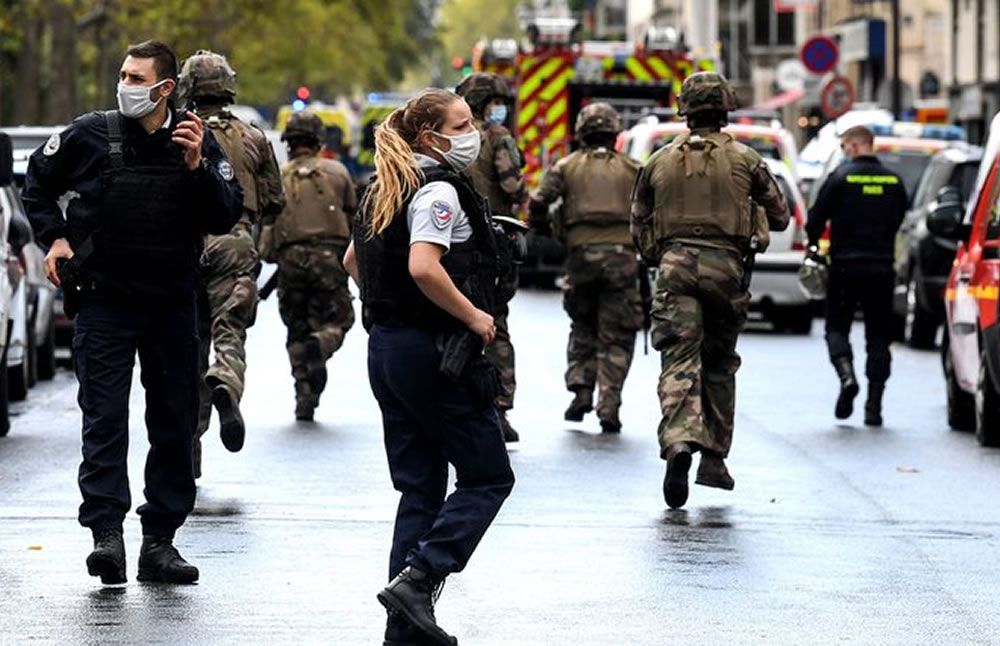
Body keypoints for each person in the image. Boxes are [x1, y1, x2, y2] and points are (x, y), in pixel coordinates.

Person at [22, 40, 242, 584]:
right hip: (104, 301)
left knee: (171, 423)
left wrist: (197, 167)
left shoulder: (196, 138)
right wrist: (54, 241)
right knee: (104, 421)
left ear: (165, 88)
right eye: (122, 73)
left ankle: (160, 542)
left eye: (136, 77)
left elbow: (226, 212)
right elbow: (37, 185)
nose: (126, 84)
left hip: (171, 303)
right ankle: (107, 536)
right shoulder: (90, 134)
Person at [342, 89, 515, 646]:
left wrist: (393, 314)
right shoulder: (438, 190)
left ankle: (404, 627)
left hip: (388, 350)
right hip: (435, 353)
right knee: (489, 476)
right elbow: (423, 266)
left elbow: (353, 262)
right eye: (462, 124)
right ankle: (419, 581)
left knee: (420, 489)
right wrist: (475, 317)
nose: (474, 133)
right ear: (428, 138)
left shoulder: (381, 188)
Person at [630, 72, 789, 510]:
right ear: (724, 108)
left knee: (679, 359)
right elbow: (781, 217)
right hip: (727, 269)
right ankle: (715, 460)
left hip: (675, 267)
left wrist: (656, 256)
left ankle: (680, 441)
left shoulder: (658, 161)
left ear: (685, 111)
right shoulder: (747, 159)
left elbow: (638, 222)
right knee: (719, 363)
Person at [176, 49, 285, 477]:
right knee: (228, 332)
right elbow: (275, 200)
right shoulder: (254, 137)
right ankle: (226, 379)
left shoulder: (176, 132)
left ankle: (189, 453)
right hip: (235, 244)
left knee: (187, 350)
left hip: (183, 249)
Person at [528, 102, 643, 433]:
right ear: (614, 133)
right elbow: (649, 209)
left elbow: (538, 202)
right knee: (617, 334)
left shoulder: (566, 166)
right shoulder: (632, 168)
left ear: (581, 132)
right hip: (622, 259)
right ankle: (609, 403)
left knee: (582, 325)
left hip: (580, 258)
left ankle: (581, 389)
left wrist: (545, 230)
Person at [805, 125, 907, 427]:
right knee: (879, 337)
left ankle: (847, 376)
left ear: (853, 145)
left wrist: (813, 245)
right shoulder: (894, 180)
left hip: (845, 267)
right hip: (881, 268)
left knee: (836, 328)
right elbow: (900, 216)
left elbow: (815, 218)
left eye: (845, 145)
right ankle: (874, 404)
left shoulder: (840, 178)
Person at [259, 111, 357, 422]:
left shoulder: (279, 176)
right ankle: (323, 341)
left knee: (296, 328)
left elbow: (266, 228)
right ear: (318, 141)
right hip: (330, 260)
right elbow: (354, 218)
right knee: (340, 319)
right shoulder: (337, 172)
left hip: (289, 264)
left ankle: (304, 394)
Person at [455, 72, 525, 442]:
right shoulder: (499, 139)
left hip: (451, 243)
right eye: (497, 103)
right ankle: (497, 406)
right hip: (493, 242)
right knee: (494, 322)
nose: (501, 110)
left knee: (452, 319)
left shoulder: (451, 136)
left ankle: (454, 401)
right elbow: (513, 186)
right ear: (486, 103)